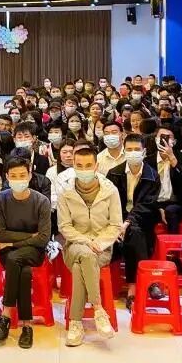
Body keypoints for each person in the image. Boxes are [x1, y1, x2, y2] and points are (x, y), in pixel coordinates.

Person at [58, 146, 121, 346]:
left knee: (80, 267)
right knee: (84, 255)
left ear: (96, 166)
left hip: (102, 247)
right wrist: (87, 242)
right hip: (74, 245)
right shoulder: (65, 191)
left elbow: (115, 225)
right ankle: (98, 309)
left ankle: (75, 323)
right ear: (73, 166)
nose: (83, 169)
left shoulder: (110, 190)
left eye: (88, 165)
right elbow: (64, 226)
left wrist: (100, 243)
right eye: (79, 165)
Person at [0, 156, 52, 349]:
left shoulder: (41, 201)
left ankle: (6, 316)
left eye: (22, 175)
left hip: (33, 251)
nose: (18, 179)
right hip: (8, 252)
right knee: (23, 271)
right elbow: (0, 233)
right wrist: (27, 237)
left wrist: (11, 242)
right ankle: (27, 325)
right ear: (7, 177)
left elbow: (43, 238)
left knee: (15, 259)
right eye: (14, 176)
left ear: (30, 175)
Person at [107, 134, 161, 309]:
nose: (133, 153)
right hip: (118, 218)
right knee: (133, 235)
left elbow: (147, 205)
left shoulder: (152, 175)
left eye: (137, 149)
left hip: (143, 220)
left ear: (144, 152)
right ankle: (146, 281)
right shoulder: (114, 173)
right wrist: (120, 223)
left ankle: (134, 288)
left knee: (135, 232)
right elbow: (109, 202)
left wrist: (128, 222)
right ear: (124, 151)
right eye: (129, 149)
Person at [153, 126, 182, 232]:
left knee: (171, 211)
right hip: (155, 202)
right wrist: (158, 208)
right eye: (162, 136)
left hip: (176, 201)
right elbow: (147, 189)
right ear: (156, 139)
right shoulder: (148, 160)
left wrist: (172, 158)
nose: (165, 140)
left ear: (174, 141)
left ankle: (173, 240)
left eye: (169, 137)